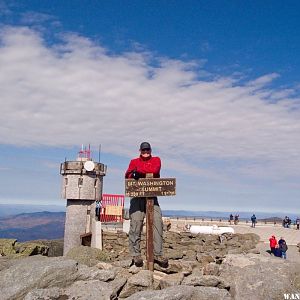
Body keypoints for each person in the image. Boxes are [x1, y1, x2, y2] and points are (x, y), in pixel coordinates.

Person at [125, 142, 168, 268]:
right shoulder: (133, 161)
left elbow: (154, 170)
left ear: (150, 150)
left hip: (152, 197)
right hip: (137, 196)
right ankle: (135, 255)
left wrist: (138, 172)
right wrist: (132, 173)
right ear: (140, 150)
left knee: (157, 224)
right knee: (135, 225)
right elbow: (127, 175)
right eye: (143, 150)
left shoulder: (156, 160)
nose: (145, 152)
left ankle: (158, 254)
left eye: (147, 149)